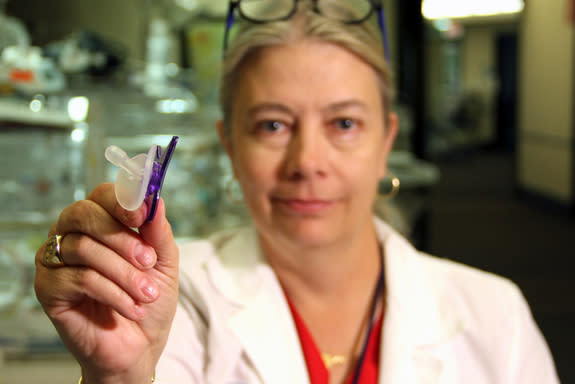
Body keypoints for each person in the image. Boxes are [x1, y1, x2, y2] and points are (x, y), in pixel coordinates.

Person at [34, 1, 559, 383]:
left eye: (345, 123)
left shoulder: (496, 316)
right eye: (272, 126)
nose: (307, 162)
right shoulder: (167, 296)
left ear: (386, 143)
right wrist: (122, 376)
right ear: (230, 147)